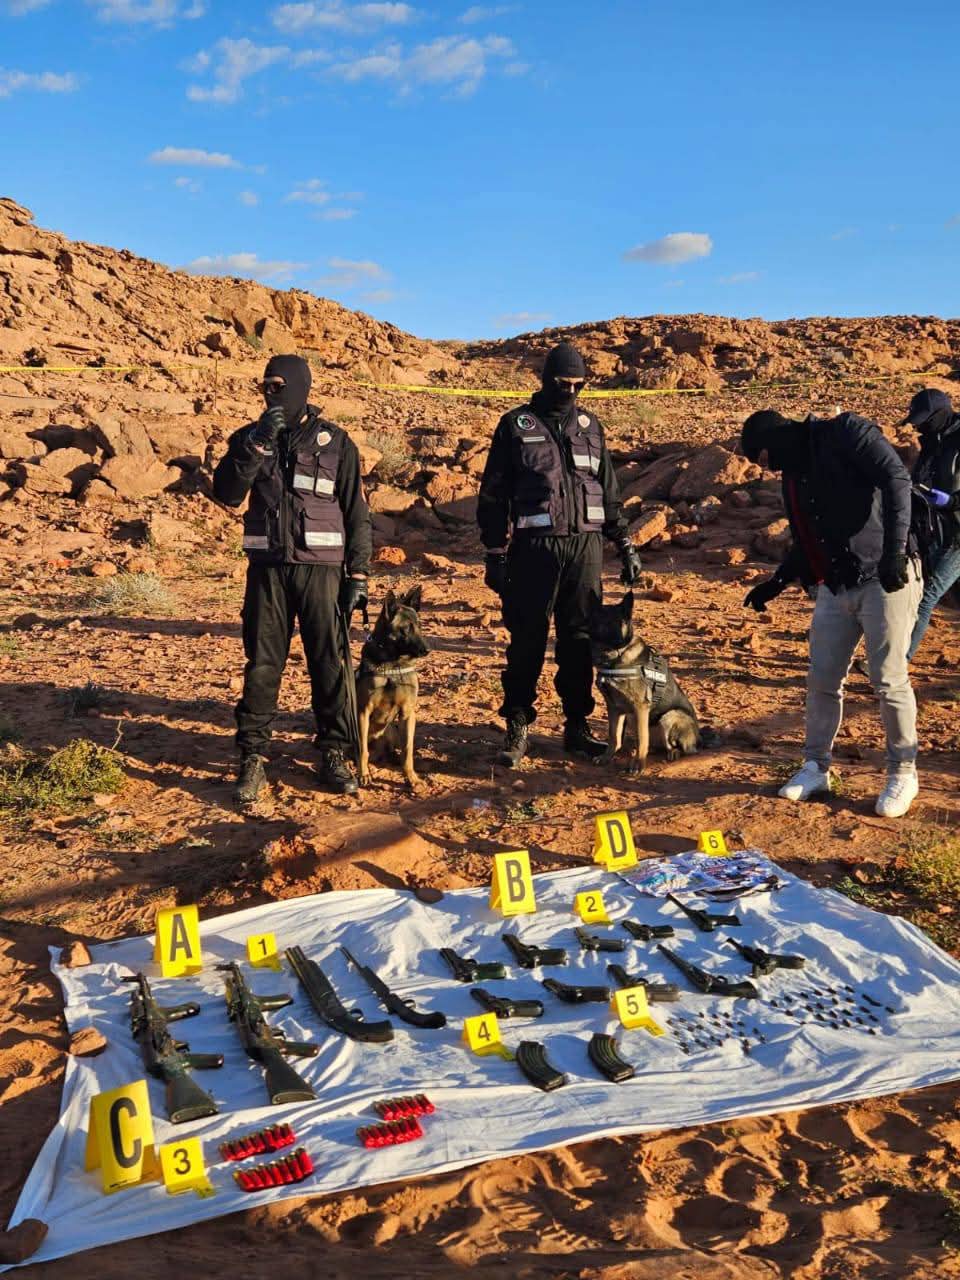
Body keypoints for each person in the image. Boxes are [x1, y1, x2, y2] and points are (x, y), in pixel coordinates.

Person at [740, 407, 922, 819]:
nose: (770, 468)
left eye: (765, 458)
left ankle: (903, 772)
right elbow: (807, 538)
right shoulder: (794, 476)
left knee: (888, 679)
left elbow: (896, 479)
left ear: (778, 437)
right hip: (836, 585)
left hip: (886, 576)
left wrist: (894, 551)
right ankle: (815, 767)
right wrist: (778, 581)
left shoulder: (846, 432)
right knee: (822, 678)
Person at [213, 354, 371, 802]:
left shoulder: (336, 442)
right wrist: (258, 442)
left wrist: (359, 573)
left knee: (329, 663)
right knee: (262, 665)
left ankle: (334, 752)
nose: (271, 393)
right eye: (265, 385)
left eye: (279, 385)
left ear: (301, 386)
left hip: (322, 572)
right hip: (267, 571)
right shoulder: (249, 437)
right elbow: (227, 493)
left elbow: (357, 512)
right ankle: (252, 758)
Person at [477, 341, 642, 767]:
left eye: (577, 384)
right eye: (562, 383)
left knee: (579, 641)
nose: (569, 391)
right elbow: (493, 495)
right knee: (527, 639)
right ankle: (518, 723)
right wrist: (494, 553)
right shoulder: (516, 425)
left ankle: (577, 726)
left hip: (585, 549)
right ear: (545, 379)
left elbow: (608, 491)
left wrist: (624, 543)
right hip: (534, 550)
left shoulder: (590, 426)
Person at [900, 388, 960, 659]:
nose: (918, 426)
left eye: (924, 420)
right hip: (938, 529)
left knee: (924, 596)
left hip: (957, 534)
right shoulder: (932, 442)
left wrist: (952, 501)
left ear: (940, 414)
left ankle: (897, 663)